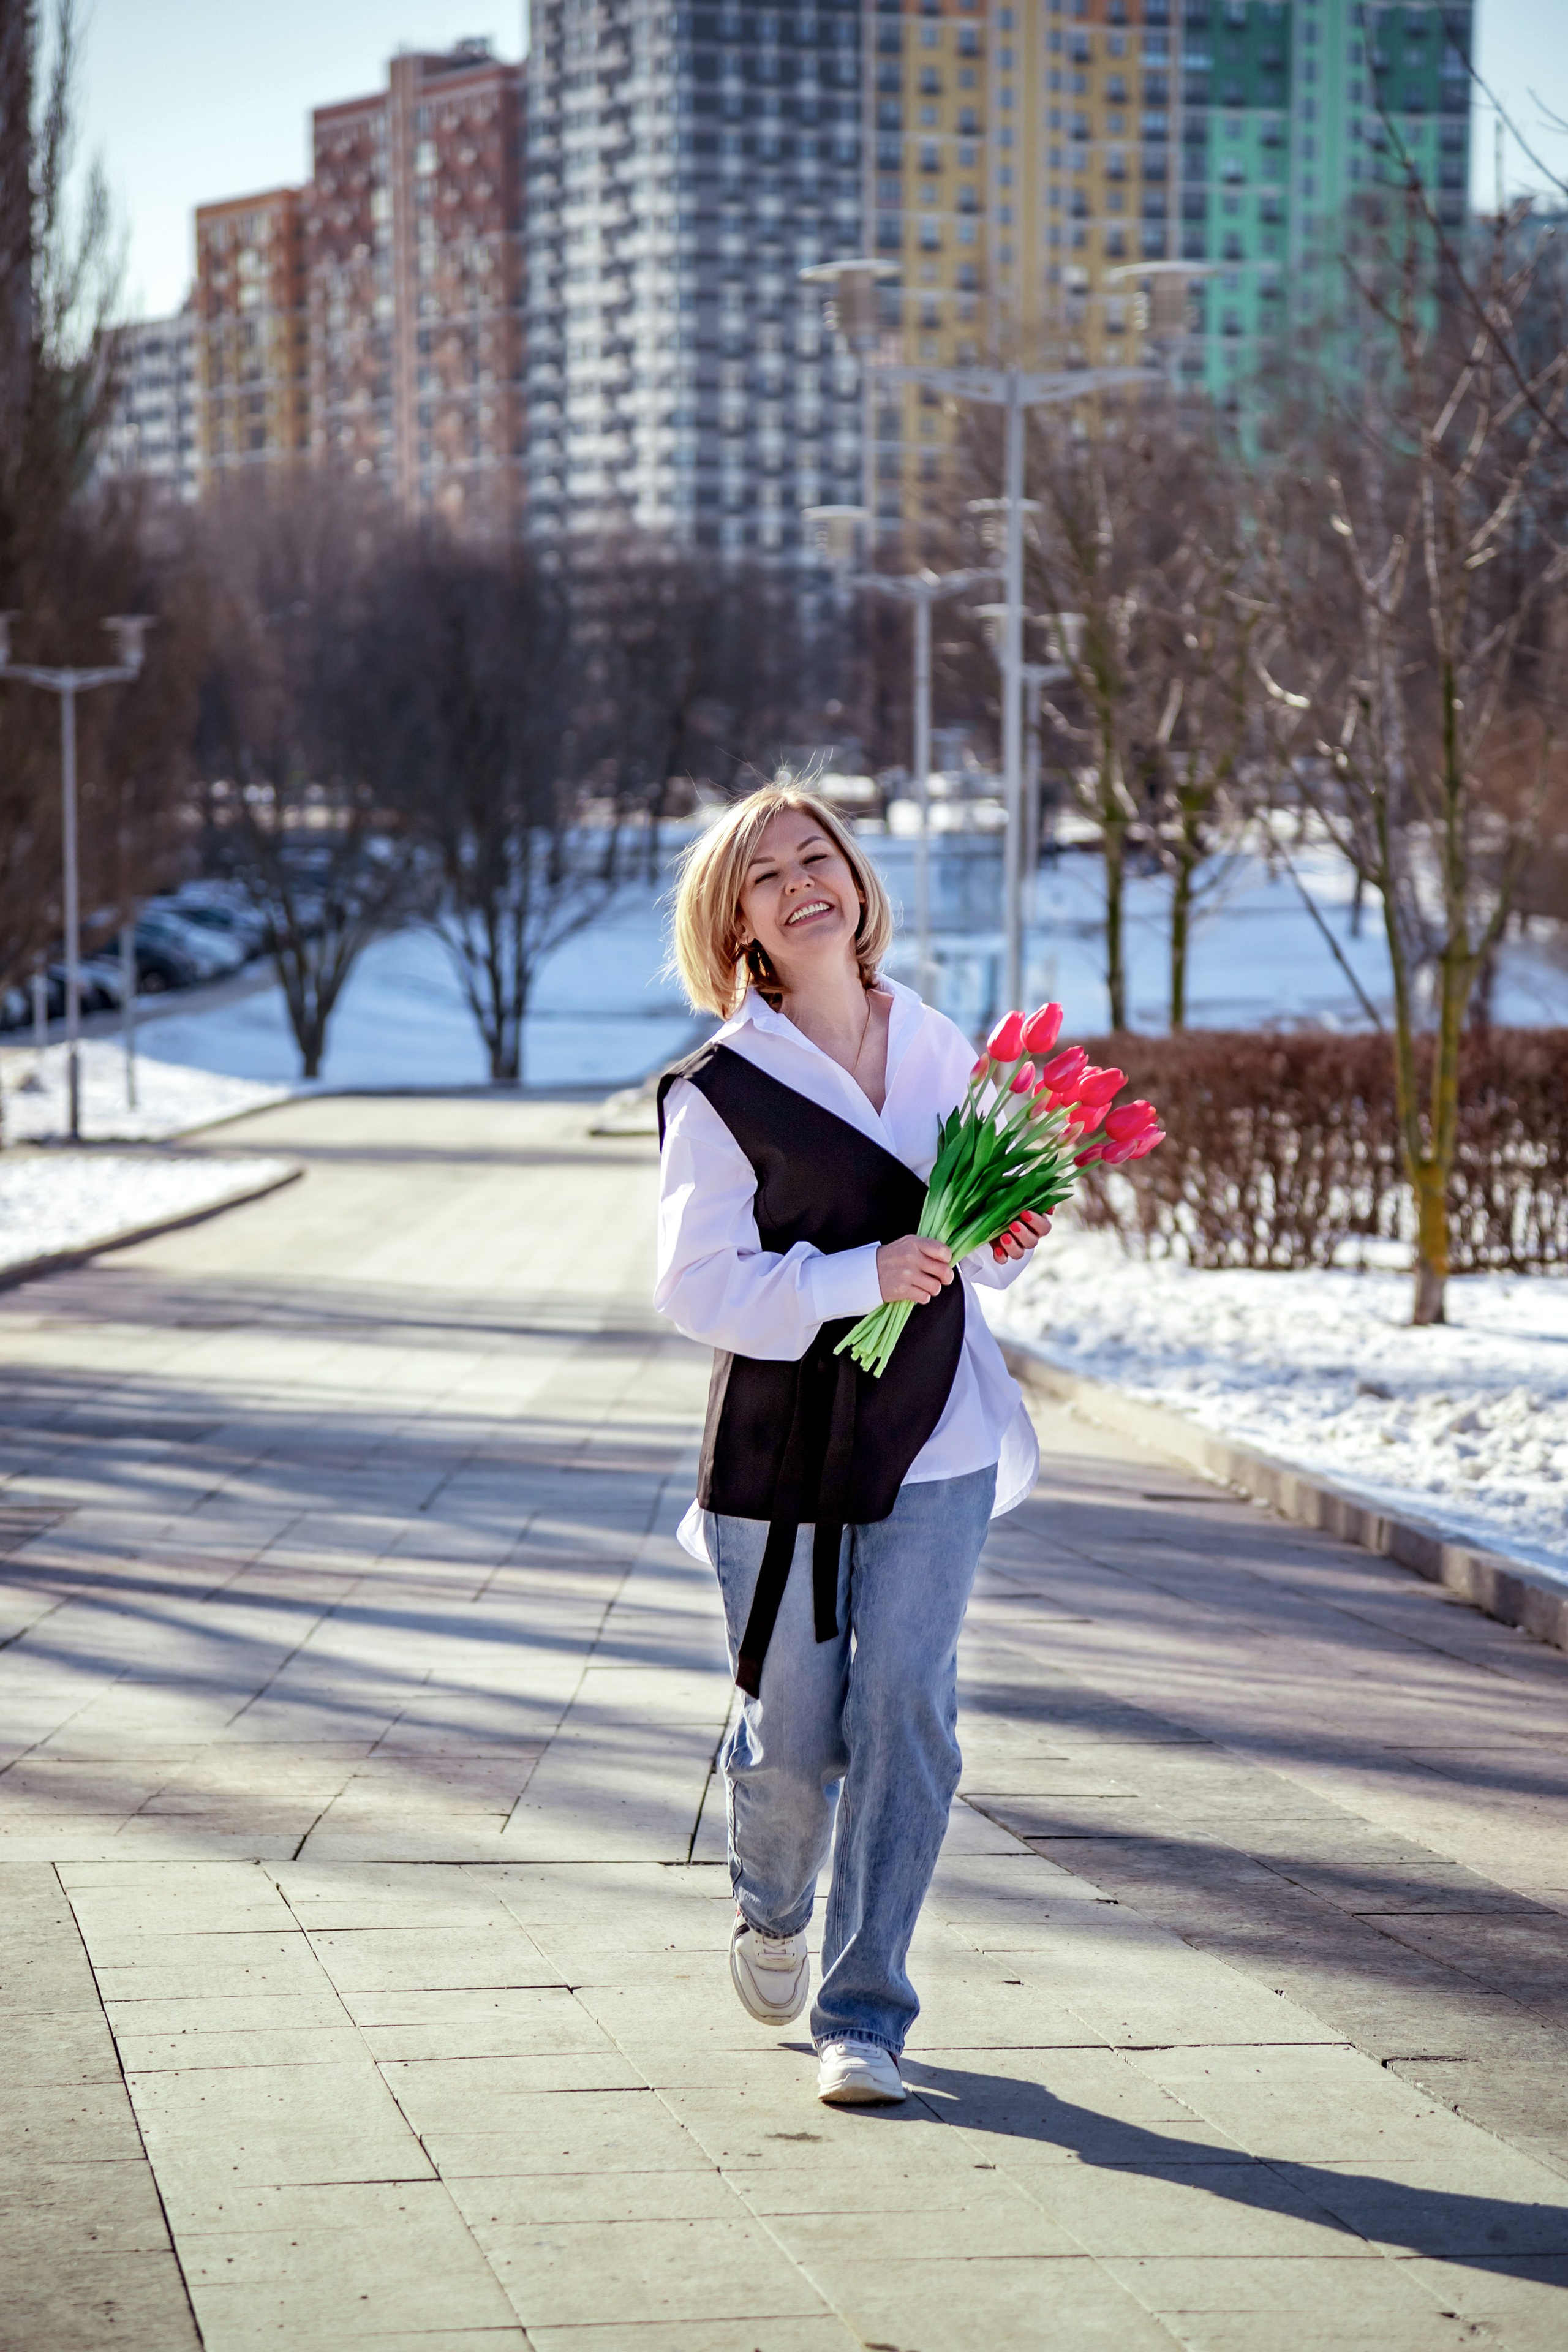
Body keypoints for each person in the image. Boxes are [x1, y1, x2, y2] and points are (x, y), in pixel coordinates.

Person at [654, 782, 1047, 2108]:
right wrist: (854, 1276)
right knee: (794, 1739)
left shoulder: (942, 1047)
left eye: (815, 857)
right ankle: (771, 1900)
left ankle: (863, 2009)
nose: (800, 883)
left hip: (937, 1436)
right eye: (766, 876)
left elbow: (980, 1264)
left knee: (904, 1711)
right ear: (738, 927)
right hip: (781, 1457)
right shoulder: (717, 1089)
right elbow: (697, 1289)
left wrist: (998, 1244)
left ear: (856, 880)